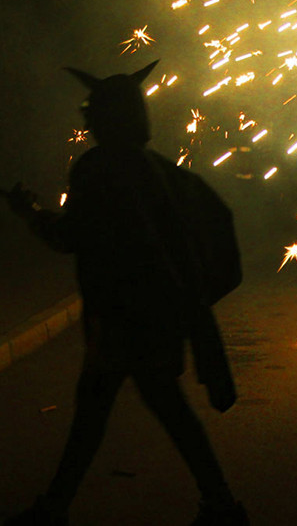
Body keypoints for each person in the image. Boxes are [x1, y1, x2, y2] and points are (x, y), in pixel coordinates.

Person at [4, 61, 248, 526]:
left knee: (103, 414)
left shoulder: (97, 168)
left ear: (110, 116)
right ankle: (220, 505)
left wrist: (29, 211)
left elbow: (69, 237)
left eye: (92, 111)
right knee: (137, 411)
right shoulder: (158, 170)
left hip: (122, 321)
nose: (85, 120)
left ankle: (55, 510)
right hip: (154, 319)